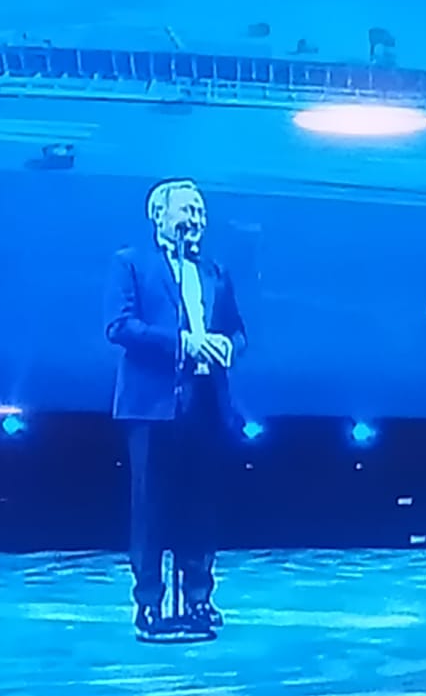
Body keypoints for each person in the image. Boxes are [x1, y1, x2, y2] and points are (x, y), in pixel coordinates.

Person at [105, 178, 247, 638]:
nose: (196, 219)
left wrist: (227, 345)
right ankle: (149, 604)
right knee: (151, 507)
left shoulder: (214, 271)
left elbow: (237, 330)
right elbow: (120, 326)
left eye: (201, 211)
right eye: (187, 209)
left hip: (205, 401)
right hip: (152, 403)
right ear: (159, 215)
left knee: (200, 504)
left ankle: (199, 598)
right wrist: (184, 343)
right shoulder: (131, 262)